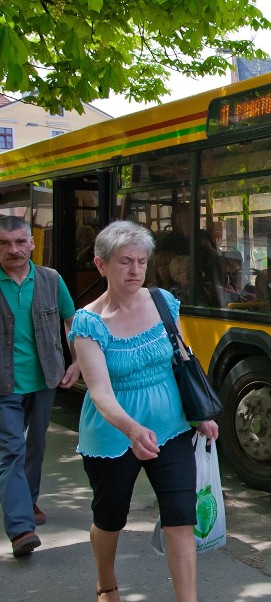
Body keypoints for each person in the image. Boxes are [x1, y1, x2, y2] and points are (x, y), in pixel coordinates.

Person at [68, 221, 218, 601]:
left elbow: (181, 360)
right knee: (110, 517)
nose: (135, 270)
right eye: (124, 262)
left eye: (141, 261)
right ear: (101, 265)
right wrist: (133, 431)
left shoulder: (163, 302)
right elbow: (100, 392)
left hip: (171, 427)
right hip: (114, 434)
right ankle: (107, 583)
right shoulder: (89, 322)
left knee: (182, 517)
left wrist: (200, 414)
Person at [0, 216, 80, 557]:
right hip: (4, 384)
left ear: (32, 243)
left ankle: (27, 501)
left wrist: (77, 361)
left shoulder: (51, 279)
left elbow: (70, 320)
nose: (13, 250)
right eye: (4, 243)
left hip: (45, 379)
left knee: (35, 444)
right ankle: (21, 529)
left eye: (19, 242)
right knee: (11, 450)